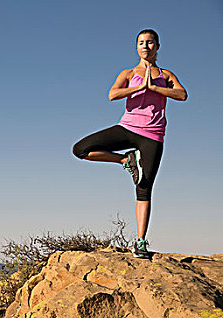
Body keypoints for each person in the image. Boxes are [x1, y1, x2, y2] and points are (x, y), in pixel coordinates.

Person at [72, 29, 187, 258]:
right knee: (80, 149)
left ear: (157, 46)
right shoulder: (128, 72)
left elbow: (182, 95)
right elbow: (112, 94)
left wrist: (155, 88)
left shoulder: (166, 74)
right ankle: (126, 159)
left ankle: (140, 242)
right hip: (127, 128)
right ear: (137, 47)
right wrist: (138, 87)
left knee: (144, 187)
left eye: (150, 42)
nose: (146, 46)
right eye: (141, 43)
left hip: (153, 135)